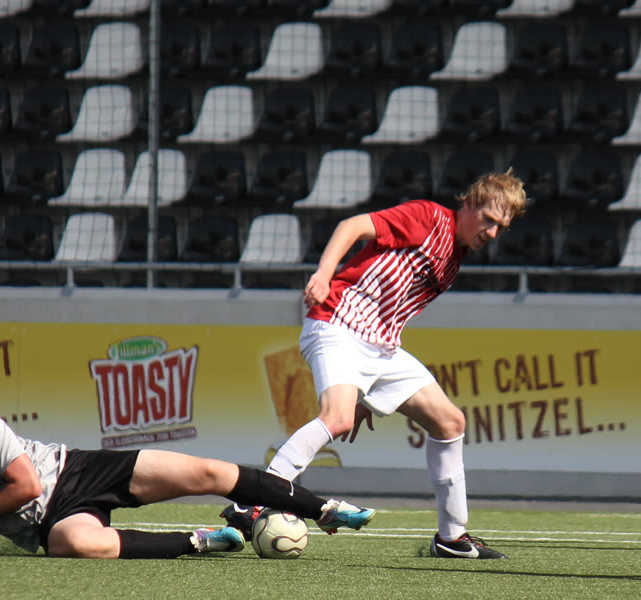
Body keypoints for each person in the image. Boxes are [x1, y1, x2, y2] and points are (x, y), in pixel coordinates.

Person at [224, 171, 529, 560]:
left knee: (450, 422)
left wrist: (367, 393)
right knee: (337, 418)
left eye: (502, 227)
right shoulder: (429, 218)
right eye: (488, 219)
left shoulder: (455, 256)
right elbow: (351, 226)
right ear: (469, 205)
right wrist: (324, 274)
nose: (493, 232)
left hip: (381, 347)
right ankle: (251, 500)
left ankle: (451, 539)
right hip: (337, 323)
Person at [0, 386, 374, 561]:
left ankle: (322, 509)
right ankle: (203, 541)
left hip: (78, 470)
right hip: (50, 524)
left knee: (209, 471)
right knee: (78, 545)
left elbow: (27, 485)